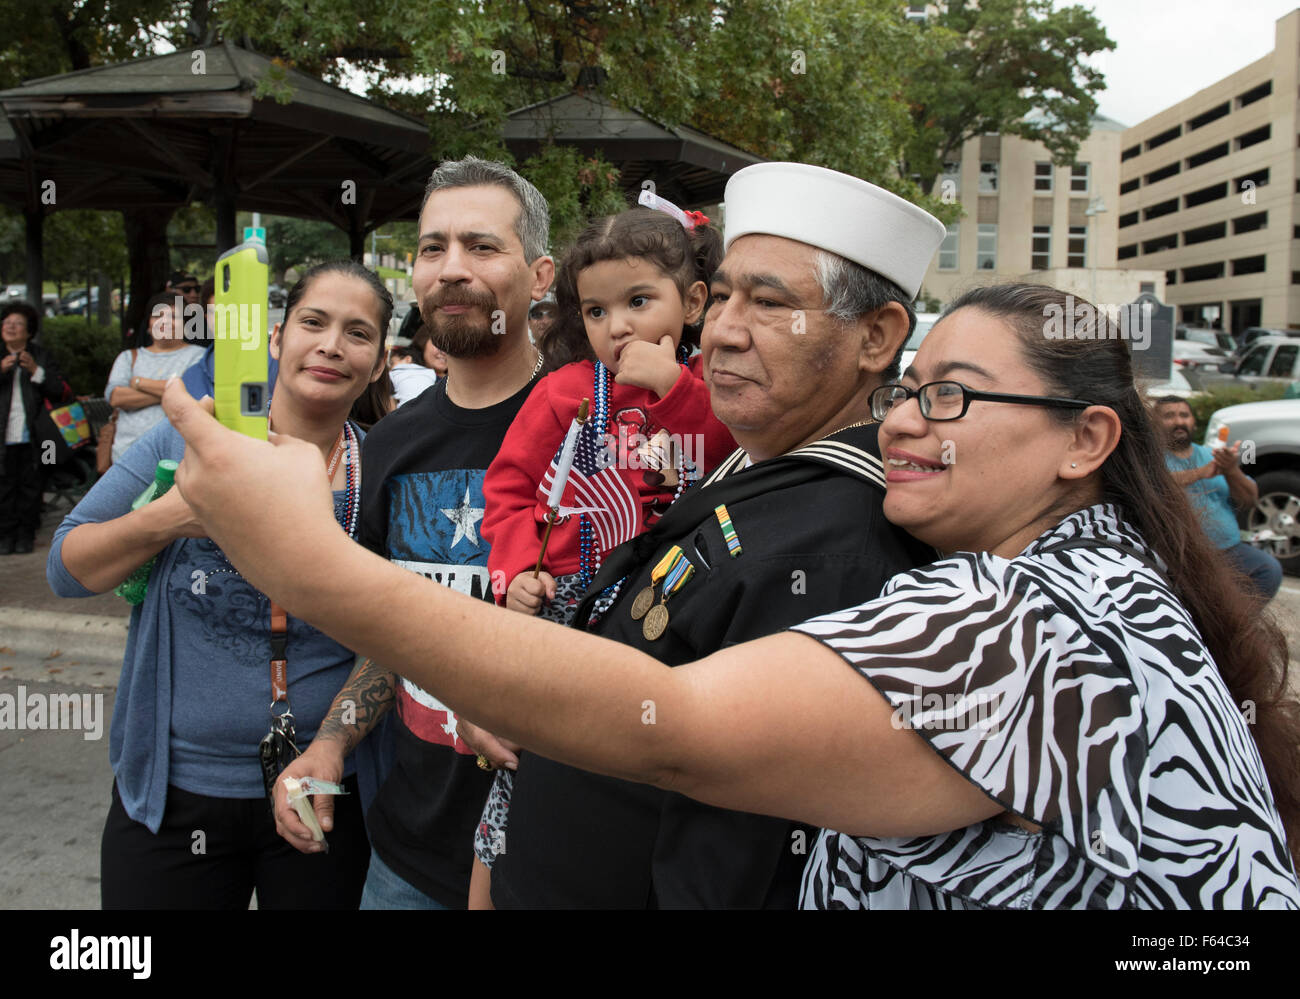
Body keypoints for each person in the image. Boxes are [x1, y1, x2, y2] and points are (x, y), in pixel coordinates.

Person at [163, 275, 1300, 909]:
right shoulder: (1070, 573)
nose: (903, 419)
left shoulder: (1038, 624)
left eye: (951, 397)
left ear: (1084, 439)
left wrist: (309, 563)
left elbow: (677, 728)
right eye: (908, 392)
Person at [47, 260, 391, 909]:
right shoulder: (191, 445)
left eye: (357, 332)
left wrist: (330, 744)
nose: (330, 345)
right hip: (172, 796)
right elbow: (67, 567)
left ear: (377, 362)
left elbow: (396, 637)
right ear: (275, 337)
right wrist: (174, 514)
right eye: (313, 322)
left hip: (321, 789)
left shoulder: (384, 466)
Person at [266, 156, 555, 910]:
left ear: (543, 274)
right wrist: (330, 740)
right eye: (433, 249)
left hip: (553, 855)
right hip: (407, 857)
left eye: (482, 246)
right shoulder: (389, 448)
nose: (451, 269)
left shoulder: (595, 436)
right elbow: (388, 629)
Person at [470, 202, 738, 903]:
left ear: (696, 301)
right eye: (595, 311)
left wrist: (677, 390)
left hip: (668, 629)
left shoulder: (714, 396)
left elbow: (726, 455)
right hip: (565, 616)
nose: (617, 326)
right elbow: (508, 490)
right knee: (523, 781)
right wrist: (514, 573)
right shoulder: (562, 395)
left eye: (639, 301)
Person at [1155, 395, 1282, 601]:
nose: (1179, 421)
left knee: (1268, 569)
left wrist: (1231, 470)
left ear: (1193, 422)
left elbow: (1250, 499)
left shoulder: (1211, 454)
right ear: (1153, 423)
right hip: (1180, 555)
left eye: (1184, 415)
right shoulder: (1150, 458)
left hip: (1228, 550)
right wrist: (1200, 473)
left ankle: (1236, 626)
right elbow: (1158, 483)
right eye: (1169, 416)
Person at [105, 292, 206, 464]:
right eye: (158, 315)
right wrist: (175, 390)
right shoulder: (129, 357)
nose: (165, 322)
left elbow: (194, 391)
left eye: (174, 316)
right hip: (127, 454)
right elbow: (116, 397)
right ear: (148, 325)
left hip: (179, 458)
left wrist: (138, 382)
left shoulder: (200, 356)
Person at [1, 301, 69, 555]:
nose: (11, 327)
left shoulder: (40, 355)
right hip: (4, 434)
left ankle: (26, 535)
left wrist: (35, 370)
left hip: (36, 436)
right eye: (7, 323)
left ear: (28, 331)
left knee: (31, 485)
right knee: (4, 486)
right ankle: (5, 535)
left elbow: (60, 390)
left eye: (17, 324)